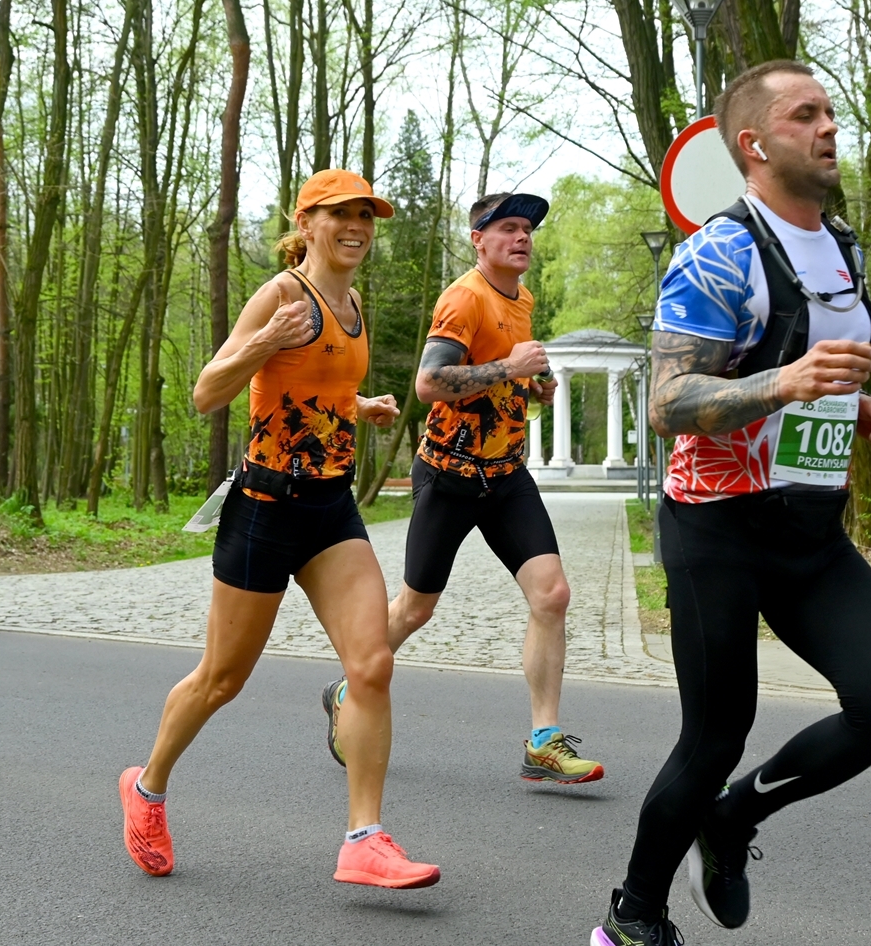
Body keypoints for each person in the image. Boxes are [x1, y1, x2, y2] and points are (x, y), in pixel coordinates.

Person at [589, 61, 871, 946]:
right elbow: (667, 402)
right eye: (804, 114)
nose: (828, 126)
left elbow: (809, 365)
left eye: (830, 111)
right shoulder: (718, 255)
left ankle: (733, 820)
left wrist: (860, 406)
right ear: (755, 143)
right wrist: (786, 383)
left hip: (810, 531)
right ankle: (632, 917)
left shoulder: (843, 247)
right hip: (718, 530)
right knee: (715, 733)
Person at [119, 169, 441, 890]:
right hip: (264, 507)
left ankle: (364, 839)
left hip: (330, 509)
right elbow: (208, 392)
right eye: (340, 214)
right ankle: (146, 787)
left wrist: (359, 406)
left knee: (372, 664)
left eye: (366, 215)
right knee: (221, 679)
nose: (356, 226)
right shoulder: (281, 295)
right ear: (307, 223)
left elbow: (316, 387)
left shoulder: (352, 304)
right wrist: (263, 339)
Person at [321, 192, 604, 786]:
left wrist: (531, 388)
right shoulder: (464, 298)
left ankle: (544, 741)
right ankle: (348, 686)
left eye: (527, 229)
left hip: (506, 476)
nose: (522, 237)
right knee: (415, 608)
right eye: (508, 228)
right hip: (450, 476)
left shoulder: (521, 298)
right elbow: (429, 384)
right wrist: (509, 369)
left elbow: (502, 374)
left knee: (552, 595)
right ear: (479, 240)